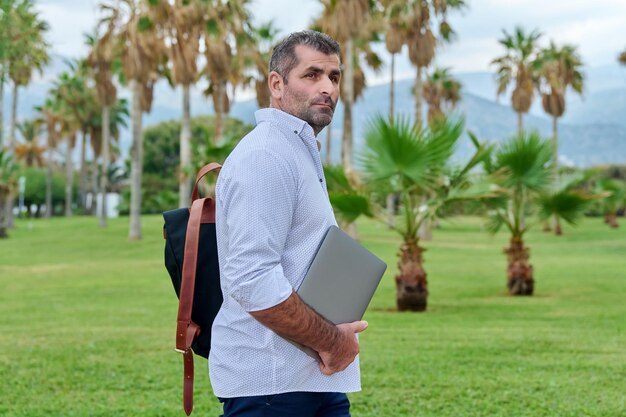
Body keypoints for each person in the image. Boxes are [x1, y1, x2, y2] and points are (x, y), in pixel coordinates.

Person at [210, 30, 368, 417]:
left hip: (312, 379)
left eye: (334, 76)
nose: (327, 87)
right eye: (312, 75)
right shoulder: (266, 155)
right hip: (271, 386)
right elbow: (251, 278)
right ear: (276, 84)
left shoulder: (297, 150)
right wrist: (332, 342)